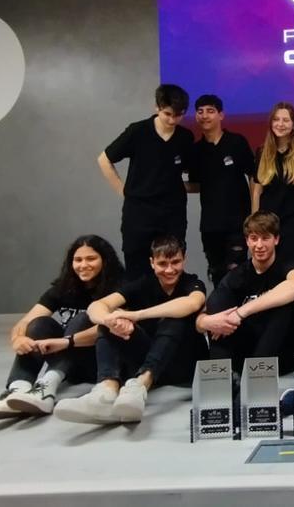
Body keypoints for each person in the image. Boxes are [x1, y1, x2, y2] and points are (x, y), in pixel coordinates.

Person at [54, 236, 207, 424]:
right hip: (147, 358)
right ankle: (105, 392)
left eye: (175, 262)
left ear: (184, 260)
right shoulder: (143, 284)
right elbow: (97, 306)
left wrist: (136, 315)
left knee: (175, 317)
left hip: (182, 365)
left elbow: (192, 303)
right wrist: (109, 320)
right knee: (112, 321)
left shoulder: (192, 283)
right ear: (152, 263)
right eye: (162, 263)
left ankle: (140, 386)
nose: (169, 269)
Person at [0, 235, 124, 420]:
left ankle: (46, 388)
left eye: (91, 259)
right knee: (39, 324)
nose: (83, 265)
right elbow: (26, 321)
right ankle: (18, 390)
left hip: (98, 363)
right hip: (69, 364)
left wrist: (66, 342)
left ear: (105, 260)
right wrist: (18, 339)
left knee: (83, 319)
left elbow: (113, 327)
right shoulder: (64, 288)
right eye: (78, 260)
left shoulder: (119, 288)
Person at [98, 84, 195, 277]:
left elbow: (186, 169)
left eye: (178, 115)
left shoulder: (185, 137)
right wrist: (124, 191)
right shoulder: (138, 131)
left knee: (171, 265)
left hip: (172, 213)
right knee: (137, 266)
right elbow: (104, 159)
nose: (172, 120)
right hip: (139, 213)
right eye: (167, 114)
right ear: (157, 107)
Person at [195, 211, 294, 375]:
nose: (259, 245)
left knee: (284, 304)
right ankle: (221, 375)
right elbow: (207, 310)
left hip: (281, 354)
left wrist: (240, 312)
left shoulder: (287, 267)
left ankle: (257, 376)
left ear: (276, 239)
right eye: (254, 238)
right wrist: (205, 322)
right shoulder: (238, 274)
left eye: (265, 238)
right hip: (247, 351)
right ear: (247, 241)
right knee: (218, 303)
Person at [190, 94, 256, 286]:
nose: (205, 115)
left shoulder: (237, 142)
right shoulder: (196, 150)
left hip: (238, 221)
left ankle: (239, 306)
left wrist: (254, 212)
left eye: (210, 111)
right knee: (216, 272)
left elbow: (253, 176)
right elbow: (196, 184)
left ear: (221, 115)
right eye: (200, 111)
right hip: (210, 225)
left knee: (236, 271)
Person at [251, 102, 294, 271]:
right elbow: (257, 192)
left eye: (286, 120)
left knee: (291, 271)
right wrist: (254, 227)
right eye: (276, 119)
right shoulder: (262, 152)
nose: (280, 124)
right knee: (268, 274)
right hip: (268, 225)